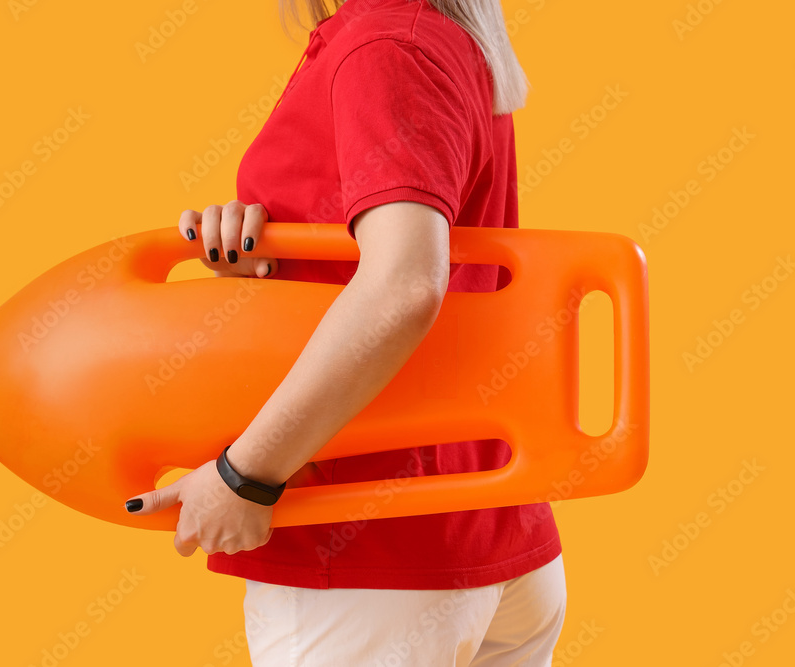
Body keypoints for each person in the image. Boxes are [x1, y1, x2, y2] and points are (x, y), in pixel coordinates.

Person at [125, 0, 566, 664]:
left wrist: (246, 475)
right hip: (484, 530)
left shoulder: (387, 45)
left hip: (369, 555)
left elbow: (405, 283)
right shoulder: (435, 36)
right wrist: (268, 254)